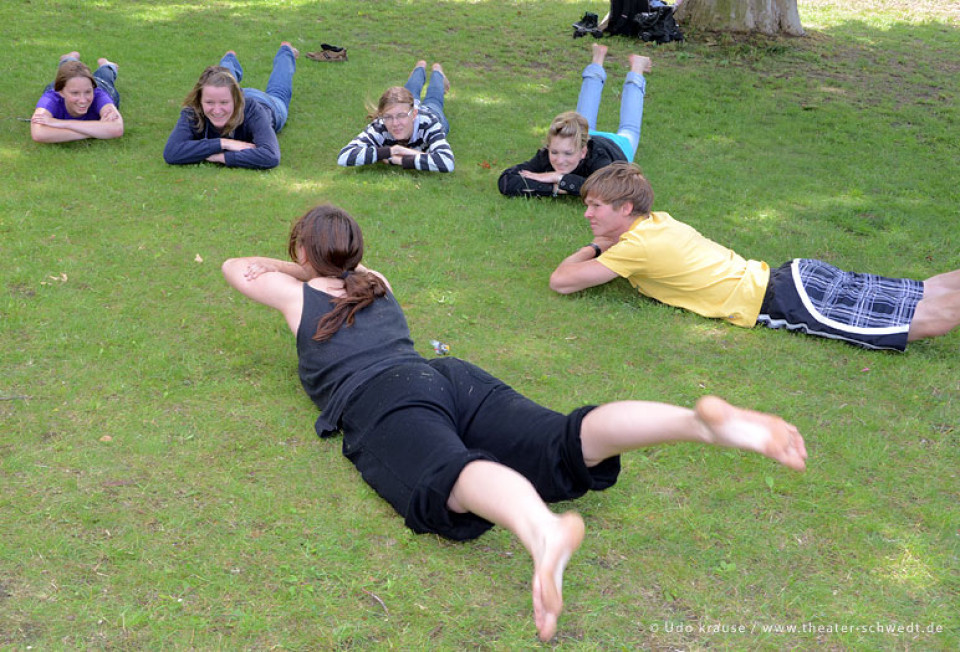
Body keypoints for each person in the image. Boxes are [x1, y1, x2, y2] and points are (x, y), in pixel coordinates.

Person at [222, 204, 808, 641]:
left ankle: (541, 531)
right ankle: (698, 424)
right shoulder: (376, 283)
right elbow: (342, 264)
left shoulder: (297, 298)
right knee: (564, 438)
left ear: (304, 254)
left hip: (381, 395)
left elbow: (235, 265)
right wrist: (318, 260)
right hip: (447, 375)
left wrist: (295, 265)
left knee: (447, 472)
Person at [550, 162, 960, 352]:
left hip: (785, 300)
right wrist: (607, 243)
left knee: (924, 322)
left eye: (596, 207)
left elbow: (561, 281)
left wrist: (598, 247)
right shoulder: (658, 221)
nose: (587, 214)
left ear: (625, 209)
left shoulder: (634, 248)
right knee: (923, 291)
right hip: (796, 276)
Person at [498, 44, 649, 197]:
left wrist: (558, 178)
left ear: (583, 152)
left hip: (619, 144)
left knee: (629, 127)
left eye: (568, 154)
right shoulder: (548, 155)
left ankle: (637, 68)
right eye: (554, 152)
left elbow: (608, 190)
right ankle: (597, 59)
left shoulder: (599, 160)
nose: (559, 160)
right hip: (583, 134)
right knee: (582, 118)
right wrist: (553, 189)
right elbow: (506, 181)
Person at [163, 42, 298, 170]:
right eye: (209, 102)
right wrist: (224, 143)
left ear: (236, 100)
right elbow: (171, 152)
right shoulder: (193, 112)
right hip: (228, 92)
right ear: (200, 100)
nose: (217, 111)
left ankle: (286, 51)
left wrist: (222, 157)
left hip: (268, 103)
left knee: (279, 89)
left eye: (224, 103)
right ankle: (229, 58)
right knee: (222, 80)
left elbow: (270, 156)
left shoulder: (253, 110)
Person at [337, 61, 454, 172]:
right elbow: (344, 156)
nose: (395, 123)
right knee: (410, 91)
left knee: (434, 99)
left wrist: (399, 158)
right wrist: (392, 150)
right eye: (388, 117)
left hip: (431, 112)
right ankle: (420, 67)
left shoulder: (429, 124)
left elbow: (446, 162)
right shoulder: (380, 125)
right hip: (408, 106)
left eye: (401, 116)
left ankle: (437, 71)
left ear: (413, 114)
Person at [30, 51, 124, 143]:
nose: (83, 100)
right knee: (69, 68)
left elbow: (117, 129)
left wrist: (61, 123)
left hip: (100, 84)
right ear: (61, 92)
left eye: (88, 92)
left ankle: (107, 64)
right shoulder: (51, 99)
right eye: (75, 93)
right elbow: (38, 133)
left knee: (105, 74)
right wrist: (98, 130)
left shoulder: (99, 96)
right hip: (67, 83)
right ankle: (69, 57)